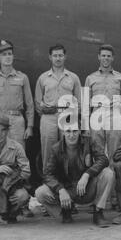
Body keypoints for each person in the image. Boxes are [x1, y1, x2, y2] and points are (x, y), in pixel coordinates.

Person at [0, 39, 34, 217]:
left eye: (10, 54)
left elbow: (29, 104)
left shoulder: (22, 77)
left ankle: (23, 203)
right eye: (4, 54)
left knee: (19, 160)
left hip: (17, 120)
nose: (8, 57)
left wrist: (30, 125)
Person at [35, 118, 115, 227]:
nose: (71, 135)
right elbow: (48, 174)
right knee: (40, 192)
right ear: (63, 132)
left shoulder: (89, 142)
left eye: (75, 131)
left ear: (79, 132)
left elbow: (103, 159)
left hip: (88, 187)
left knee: (108, 173)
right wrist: (61, 190)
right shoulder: (56, 149)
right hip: (68, 190)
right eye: (68, 131)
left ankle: (98, 212)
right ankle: (65, 211)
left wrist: (87, 174)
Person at [84, 44, 121, 209]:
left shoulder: (120, 78)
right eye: (103, 56)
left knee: (115, 157)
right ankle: (98, 197)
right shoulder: (90, 78)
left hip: (115, 115)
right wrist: (86, 127)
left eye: (108, 56)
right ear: (98, 57)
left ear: (113, 58)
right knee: (98, 158)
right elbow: (85, 105)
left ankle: (115, 198)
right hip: (96, 116)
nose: (106, 59)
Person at [35, 44, 82, 174]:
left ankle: (69, 181)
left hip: (67, 116)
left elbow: (79, 101)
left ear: (65, 57)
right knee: (48, 150)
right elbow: (38, 103)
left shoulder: (73, 78)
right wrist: (47, 114)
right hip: (48, 118)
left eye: (60, 55)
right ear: (50, 57)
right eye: (55, 56)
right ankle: (48, 181)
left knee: (69, 149)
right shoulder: (43, 78)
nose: (58, 58)